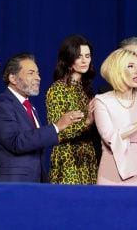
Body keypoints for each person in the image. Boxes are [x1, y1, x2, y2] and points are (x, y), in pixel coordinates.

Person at [0, 53, 84, 182]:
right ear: (13, 78)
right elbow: (17, 142)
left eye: (38, 73)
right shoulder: (0, 106)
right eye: (31, 73)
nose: (38, 78)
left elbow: (35, 144)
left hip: (34, 185)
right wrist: (56, 126)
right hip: (11, 187)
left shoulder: (30, 107)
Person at [94, 47, 137, 185]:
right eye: (131, 66)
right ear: (117, 70)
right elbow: (110, 137)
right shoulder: (102, 101)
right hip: (110, 172)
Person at [45, 35, 98, 184]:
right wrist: (86, 122)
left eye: (87, 56)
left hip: (88, 156)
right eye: (79, 56)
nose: (84, 60)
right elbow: (57, 131)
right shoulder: (57, 89)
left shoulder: (86, 90)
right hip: (67, 158)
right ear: (68, 59)